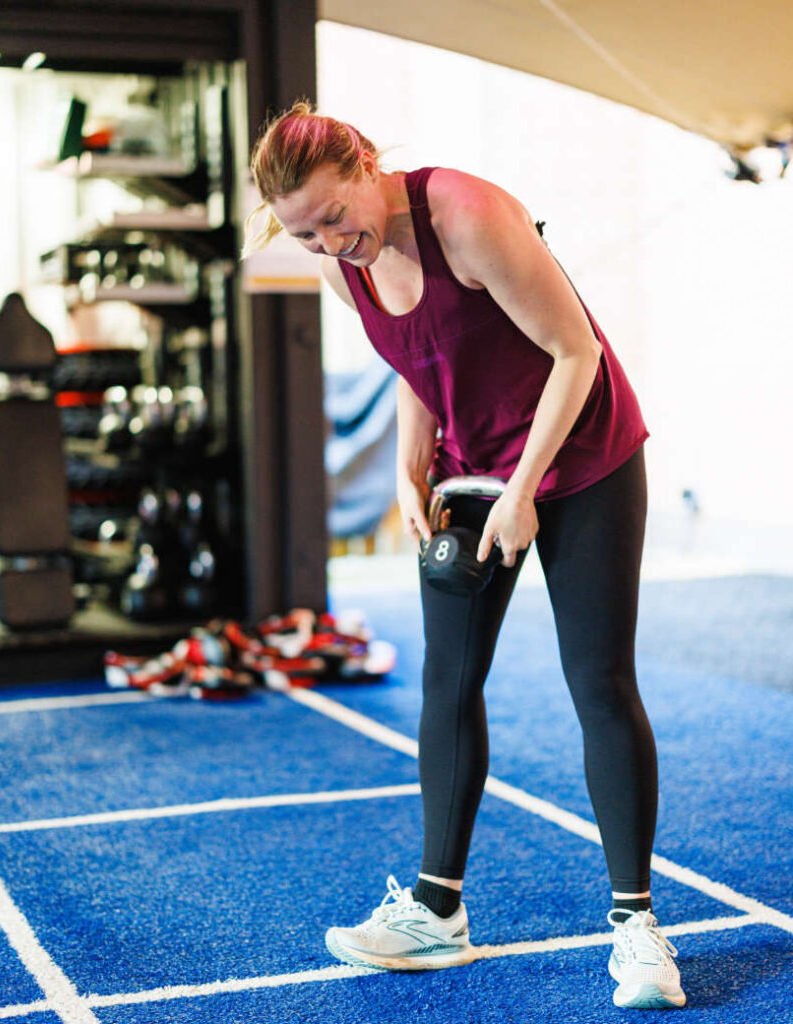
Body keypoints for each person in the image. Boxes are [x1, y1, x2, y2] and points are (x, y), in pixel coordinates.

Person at [243, 101, 686, 1011]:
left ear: (365, 164)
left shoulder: (469, 214)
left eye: (334, 216)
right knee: (448, 679)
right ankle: (436, 911)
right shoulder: (340, 262)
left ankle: (639, 928)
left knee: (598, 681)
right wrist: (413, 470)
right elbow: (420, 365)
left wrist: (524, 490)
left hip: (587, 455)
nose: (329, 242)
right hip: (475, 465)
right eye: (304, 233)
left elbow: (575, 354)